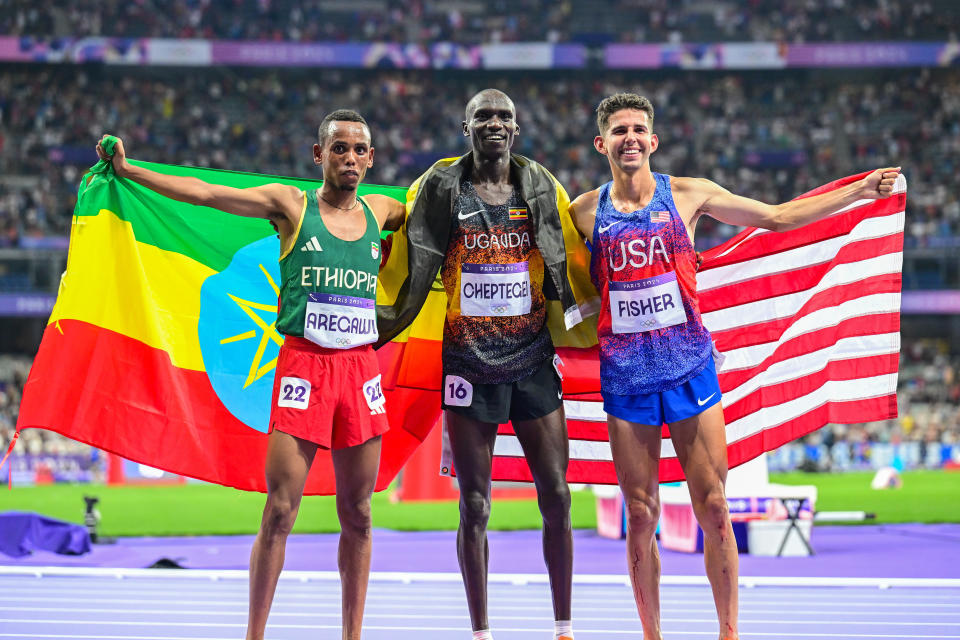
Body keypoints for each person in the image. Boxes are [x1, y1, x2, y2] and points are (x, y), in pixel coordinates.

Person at [568, 92, 901, 640]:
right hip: (625, 378)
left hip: (690, 370)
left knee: (714, 505)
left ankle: (729, 633)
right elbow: (557, 276)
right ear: (601, 143)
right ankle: (651, 635)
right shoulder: (583, 211)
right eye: (619, 130)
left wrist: (859, 190)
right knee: (640, 512)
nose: (630, 138)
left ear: (652, 141)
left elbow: (776, 217)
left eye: (638, 129)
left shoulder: (690, 194)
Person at [96, 109, 405, 640]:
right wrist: (130, 171)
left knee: (358, 511)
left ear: (371, 158)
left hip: (360, 369)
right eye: (339, 149)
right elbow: (206, 193)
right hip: (305, 366)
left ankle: (353, 635)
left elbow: (432, 214)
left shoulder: (383, 211)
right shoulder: (291, 204)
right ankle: (254, 634)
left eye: (359, 150)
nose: (349, 158)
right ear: (319, 155)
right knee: (280, 510)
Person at [376, 89, 598, 640]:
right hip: (466, 364)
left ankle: (564, 627)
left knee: (558, 495)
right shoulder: (441, 187)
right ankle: (481, 631)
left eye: (504, 117)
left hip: (531, 362)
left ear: (516, 129)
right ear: (466, 126)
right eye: (484, 117)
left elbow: (574, 243)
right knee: (474, 505)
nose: (494, 124)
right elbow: (403, 229)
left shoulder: (540, 185)